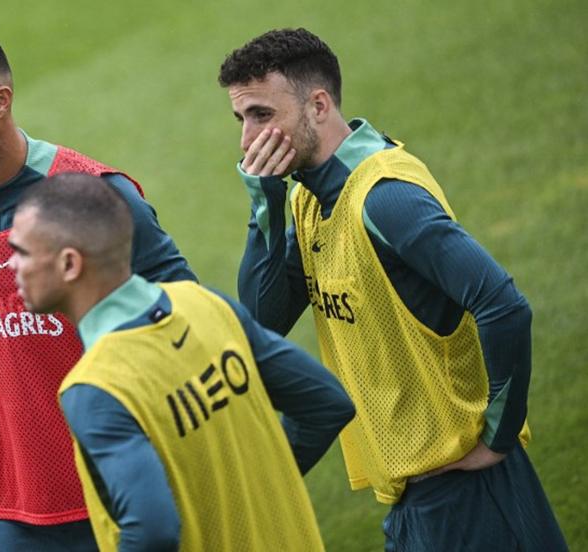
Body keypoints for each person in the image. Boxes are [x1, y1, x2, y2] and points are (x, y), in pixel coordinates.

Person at [217, 28, 568, 550]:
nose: (248, 141)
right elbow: (263, 319)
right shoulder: (307, 199)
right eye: (241, 119)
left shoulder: (384, 198)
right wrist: (264, 207)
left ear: (318, 106)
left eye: (261, 114)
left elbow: (503, 304)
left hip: (469, 495)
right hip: (412, 499)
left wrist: (498, 436)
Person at [0, 24, 196, 551]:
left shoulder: (99, 197)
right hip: (17, 514)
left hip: (129, 494)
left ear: (0, 101)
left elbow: (189, 316)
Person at [6, 172, 355, 551]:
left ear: (70, 265)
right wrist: (256, 490)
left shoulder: (95, 388)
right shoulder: (205, 304)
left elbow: (152, 532)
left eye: (22, 252)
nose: (11, 265)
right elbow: (326, 402)